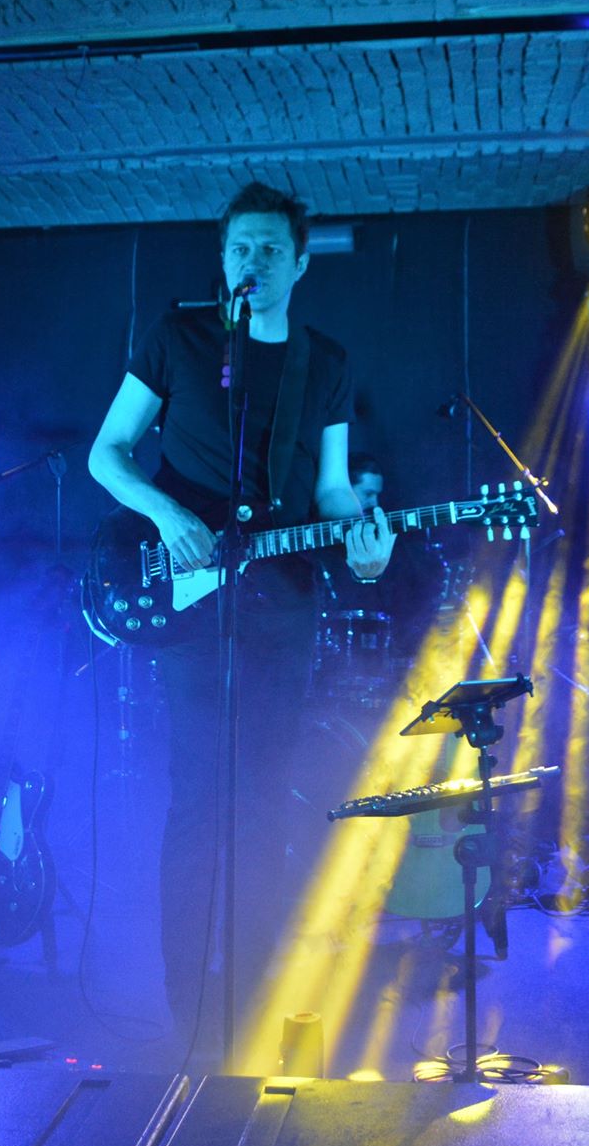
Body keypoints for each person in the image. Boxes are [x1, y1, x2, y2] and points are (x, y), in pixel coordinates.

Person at [87, 183, 394, 1049]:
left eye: (267, 248)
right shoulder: (177, 338)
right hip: (189, 603)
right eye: (238, 248)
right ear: (222, 257)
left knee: (263, 801)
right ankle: (187, 1004)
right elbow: (107, 453)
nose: (250, 261)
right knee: (196, 798)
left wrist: (363, 549)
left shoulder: (323, 361)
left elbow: (331, 491)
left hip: (281, 607)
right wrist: (168, 515)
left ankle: (256, 995)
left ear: (299, 262)